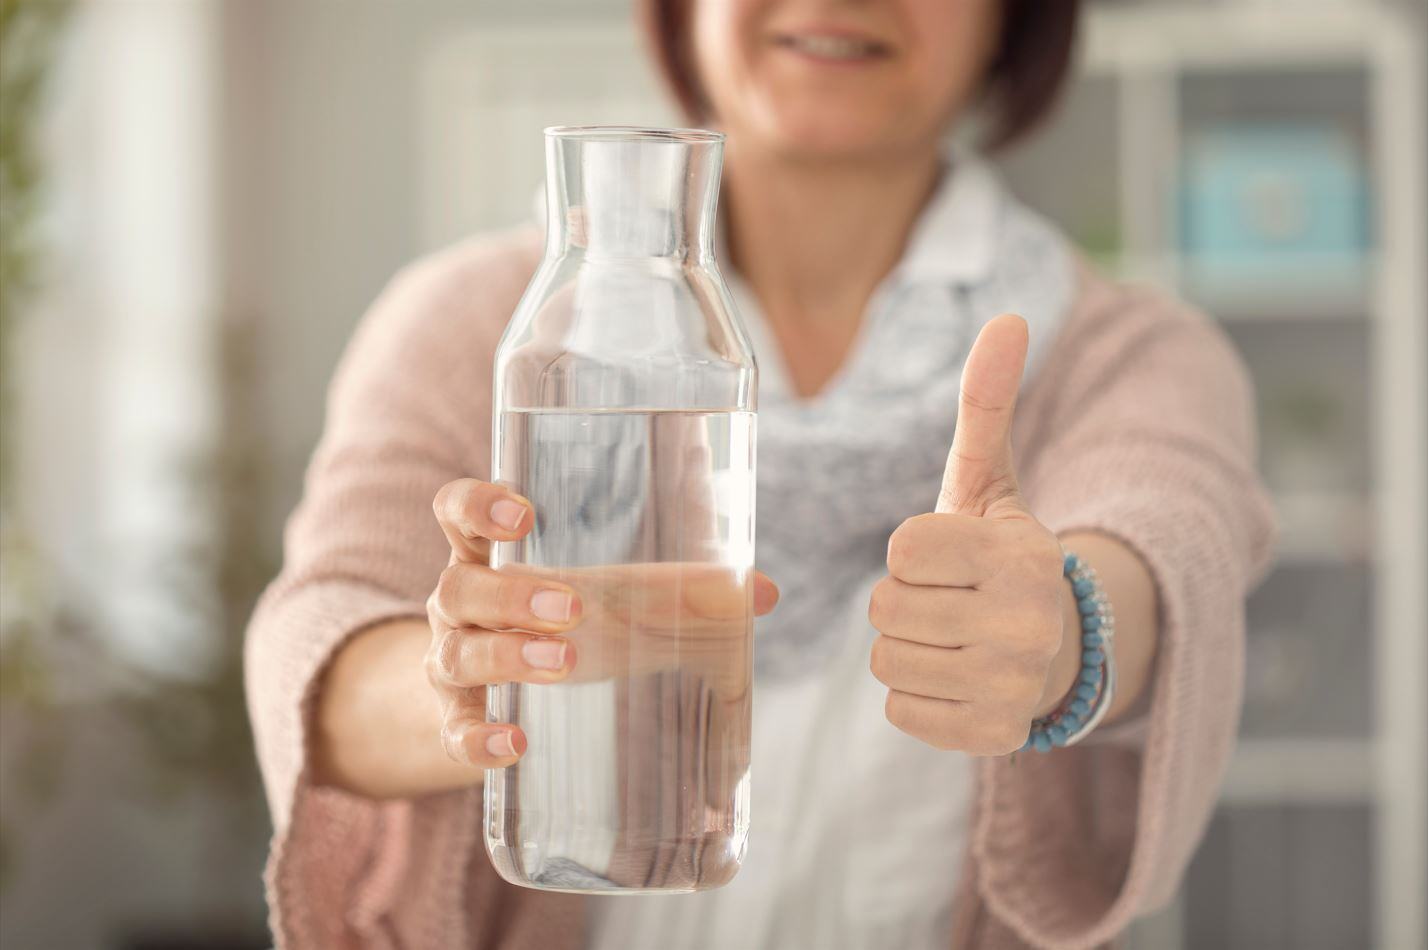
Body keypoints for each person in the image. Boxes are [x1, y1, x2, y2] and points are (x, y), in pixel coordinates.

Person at [245, 1, 1276, 947]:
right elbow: (318, 638)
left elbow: (1165, 535)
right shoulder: (477, 321)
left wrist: (1060, 628)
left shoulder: (1126, 352)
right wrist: (474, 674)